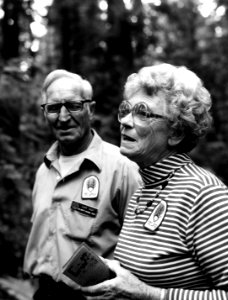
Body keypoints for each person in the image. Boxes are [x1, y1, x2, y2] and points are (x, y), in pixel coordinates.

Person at [80, 63, 228, 300]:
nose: (125, 121)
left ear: (175, 133)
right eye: (126, 109)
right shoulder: (144, 190)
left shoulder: (204, 195)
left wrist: (150, 294)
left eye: (143, 113)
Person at [23, 69, 142, 300]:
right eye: (54, 108)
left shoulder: (122, 168)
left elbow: (146, 247)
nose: (64, 117)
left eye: (74, 106)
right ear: (44, 112)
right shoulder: (43, 170)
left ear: (91, 109)